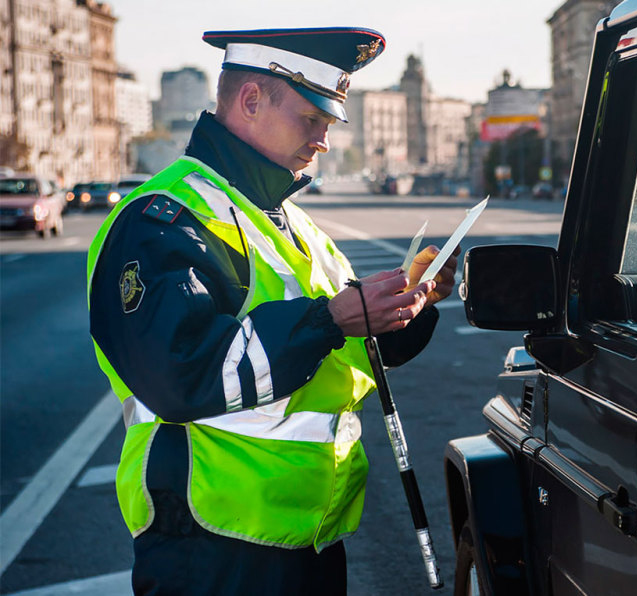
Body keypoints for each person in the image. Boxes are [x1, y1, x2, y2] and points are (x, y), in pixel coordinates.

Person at [87, 27, 458, 595]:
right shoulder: (164, 216)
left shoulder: (289, 219)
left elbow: (352, 351)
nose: (323, 141)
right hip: (211, 541)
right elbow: (183, 374)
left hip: (306, 533)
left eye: (329, 124)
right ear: (251, 100)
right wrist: (329, 319)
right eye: (312, 119)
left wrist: (409, 303)